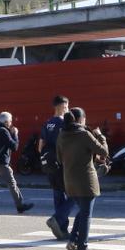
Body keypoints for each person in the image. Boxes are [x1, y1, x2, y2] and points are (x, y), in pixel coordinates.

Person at [57, 107, 109, 250]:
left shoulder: (62, 134)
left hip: (69, 180)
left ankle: (73, 242)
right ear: (80, 119)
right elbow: (104, 151)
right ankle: (82, 249)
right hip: (86, 181)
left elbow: (59, 159)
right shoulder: (84, 134)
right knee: (86, 215)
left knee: (82, 212)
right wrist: (100, 136)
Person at [39, 95, 74, 239]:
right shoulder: (64, 124)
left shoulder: (47, 123)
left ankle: (61, 230)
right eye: (67, 107)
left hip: (49, 165)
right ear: (62, 106)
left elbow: (40, 146)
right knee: (74, 194)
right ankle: (58, 219)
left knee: (58, 195)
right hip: (62, 165)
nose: (68, 109)